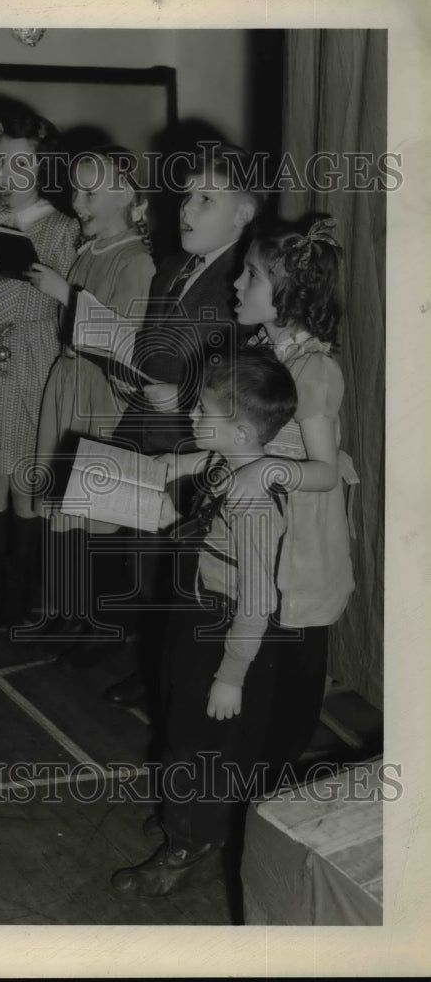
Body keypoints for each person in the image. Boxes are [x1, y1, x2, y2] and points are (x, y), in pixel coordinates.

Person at [111, 349, 299, 897]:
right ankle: (186, 815)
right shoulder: (230, 463)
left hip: (227, 630)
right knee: (181, 724)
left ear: (240, 431)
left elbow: (258, 599)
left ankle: (190, 841)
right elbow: (205, 465)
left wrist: (232, 673)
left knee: (199, 746)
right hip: (198, 610)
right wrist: (178, 464)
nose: (193, 420)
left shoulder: (254, 502)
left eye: (203, 415)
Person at [106, 142, 267, 706]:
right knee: (144, 555)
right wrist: (129, 371)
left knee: (185, 565)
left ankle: (175, 674)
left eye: (207, 198)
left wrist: (187, 394)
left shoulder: (245, 279)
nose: (188, 209)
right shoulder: (173, 265)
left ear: (243, 214)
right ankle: (149, 663)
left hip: (199, 444)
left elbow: (249, 372)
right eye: (186, 196)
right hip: (150, 432)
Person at [231, 213, 357, 772]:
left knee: (293, 667)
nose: (237, 284)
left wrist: (266, 472)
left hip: (302, 539)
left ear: (288, 295)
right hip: (263, 532)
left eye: (251, 276)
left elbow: (325, 470)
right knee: (255, 661)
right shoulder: (262, 349)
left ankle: (274, 783)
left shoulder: (314, 370)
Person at [0, 105, 80, 631]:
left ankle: (23, 589)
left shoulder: (64, 228)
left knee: (27, 481)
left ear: (40, 168)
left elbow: (75, 300)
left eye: (21, 166)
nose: (8, 176)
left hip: (33, 360)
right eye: (1, 164)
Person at [23, 146, 156, 646]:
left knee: (99, 515)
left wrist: (66, 296)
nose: (77, 200)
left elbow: (127, 341)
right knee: (67, 512)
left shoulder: (135, 259)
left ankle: (102, 622)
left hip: (101, 396)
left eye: (89, 192)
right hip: (69, 383)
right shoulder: (89, 250)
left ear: (124, 195)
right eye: (76, 189)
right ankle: (73, 608)